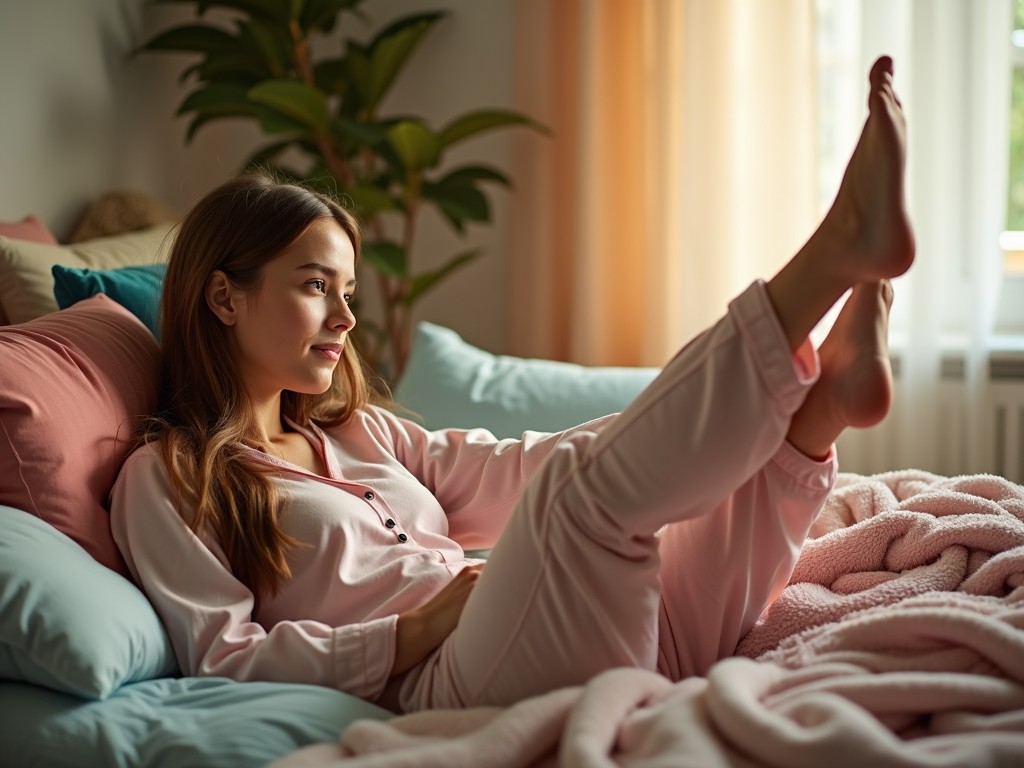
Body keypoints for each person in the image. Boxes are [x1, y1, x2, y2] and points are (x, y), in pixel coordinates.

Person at [110, 56, 915, 713]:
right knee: (577, 497)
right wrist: (414, 632)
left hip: (557, 640)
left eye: (346, 293)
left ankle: (818, 413)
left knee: (676, 532)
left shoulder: (357, 432)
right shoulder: (171, 478)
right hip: (443, 680)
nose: (346, 319)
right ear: (223, 296)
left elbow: (506, 468)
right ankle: (831, 257)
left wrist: (643, 433)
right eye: (317, 286)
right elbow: (222, 658)